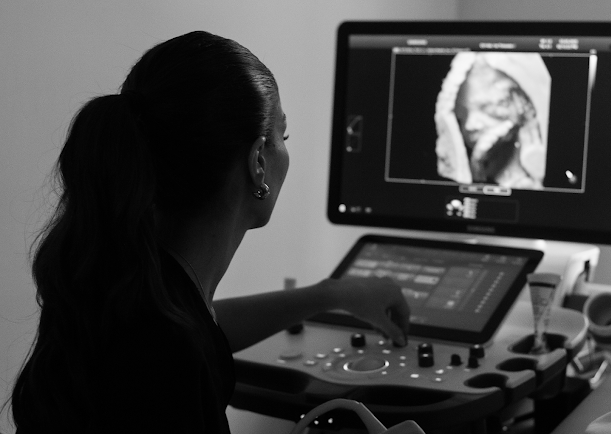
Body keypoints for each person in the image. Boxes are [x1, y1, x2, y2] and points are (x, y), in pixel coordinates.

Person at [5, 31, 410, 433]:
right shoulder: (166, 361)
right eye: (282, 136)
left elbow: (204, 327)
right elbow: (183, 350)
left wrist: (331, 295)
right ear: (258, 162)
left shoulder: (128, 292)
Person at [434, 52, 551, 189]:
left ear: (522, 102)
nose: (470, 125)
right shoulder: (483, 161)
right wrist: (477, 172)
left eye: (487, 108)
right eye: (461, 117)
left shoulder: (535, 151)